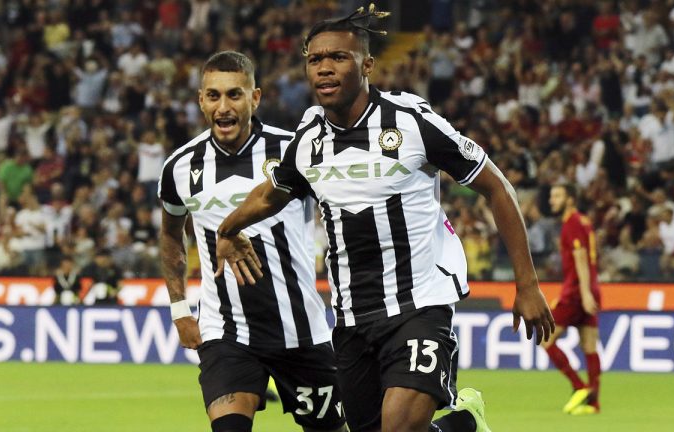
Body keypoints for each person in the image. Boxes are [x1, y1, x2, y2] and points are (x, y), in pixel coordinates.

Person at [215, 6, 555, 432]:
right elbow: (271, 194)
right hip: (354, 316)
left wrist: (526, 283)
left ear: (367, 65)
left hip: (420, 303)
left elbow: (494, 185)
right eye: (315, 59)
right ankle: (464, 425)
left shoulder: (410, 122)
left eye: (338, 57)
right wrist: (228, 229)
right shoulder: (308, 140)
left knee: (398, 428)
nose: (324, 68)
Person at [158, 51, 346, 432]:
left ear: (255, 98)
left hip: (300, 331)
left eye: (234, 95)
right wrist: (179, 310)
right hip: (227, 332)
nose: (223, 107)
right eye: (213, 96)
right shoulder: (180, 166)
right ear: (200, 100)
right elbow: (170, 234)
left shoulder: (294, 151)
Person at [541, 184, 602, 415]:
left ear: (570, 199)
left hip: (576, 292)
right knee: (589, 346)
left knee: (545, 339)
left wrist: (584, 293)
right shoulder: (584, 222)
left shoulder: (572, 223)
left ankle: (580, 387)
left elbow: (580, 257)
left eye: (557, 195)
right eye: (551, 195)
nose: (552, 200)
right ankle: (593, 403)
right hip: (589, 289)